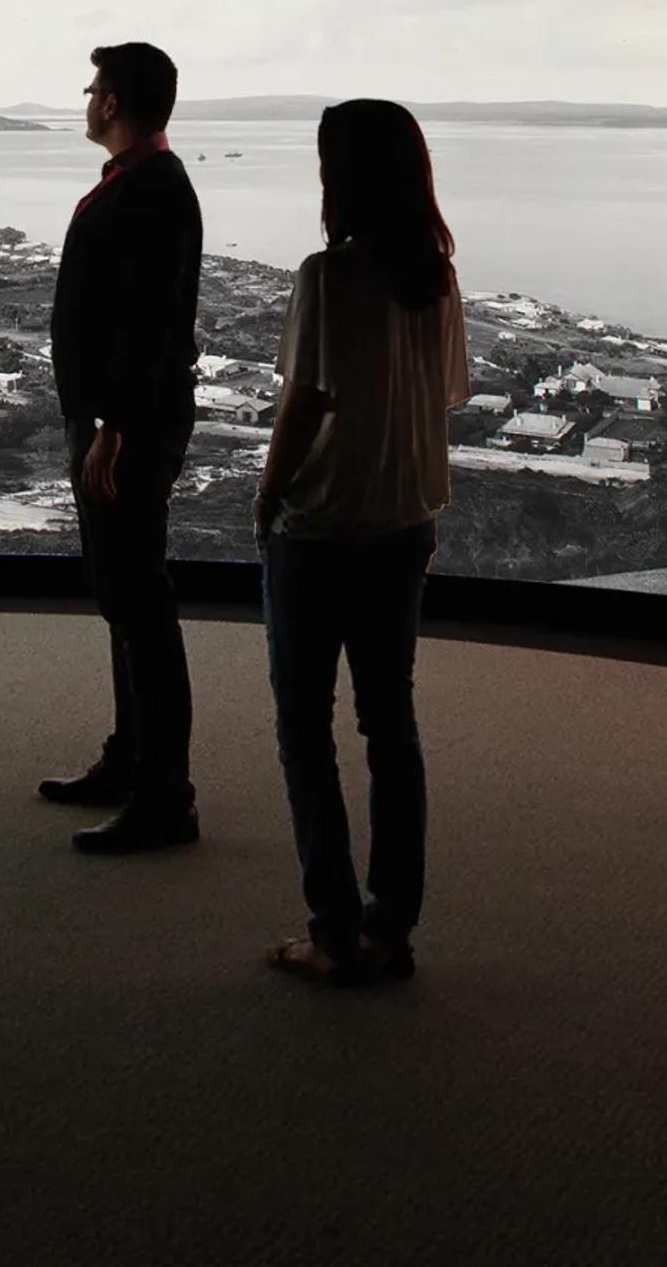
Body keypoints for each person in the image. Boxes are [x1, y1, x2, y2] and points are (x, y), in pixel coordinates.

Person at [248, 100, 467, 986]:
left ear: (342, 176)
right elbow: (445, 397)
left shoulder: (327, 276)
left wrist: (265, 500)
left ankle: (332, 931)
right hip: (405, 521)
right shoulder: (437, 280)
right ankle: (391, 927)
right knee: (391, 723)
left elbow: (304, 402)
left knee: (306, 730)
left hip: (323, 526)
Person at [40, 41, 205, 852]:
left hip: (125, 427)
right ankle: (130, 757)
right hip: (113, 421)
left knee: (141, 603)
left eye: (93, 87)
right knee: (123, 598)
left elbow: (150, 328)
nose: (86, 97)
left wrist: (115, 426)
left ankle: (164, 795)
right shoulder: (139, 182)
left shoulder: (153, 189)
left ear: (113, 102)